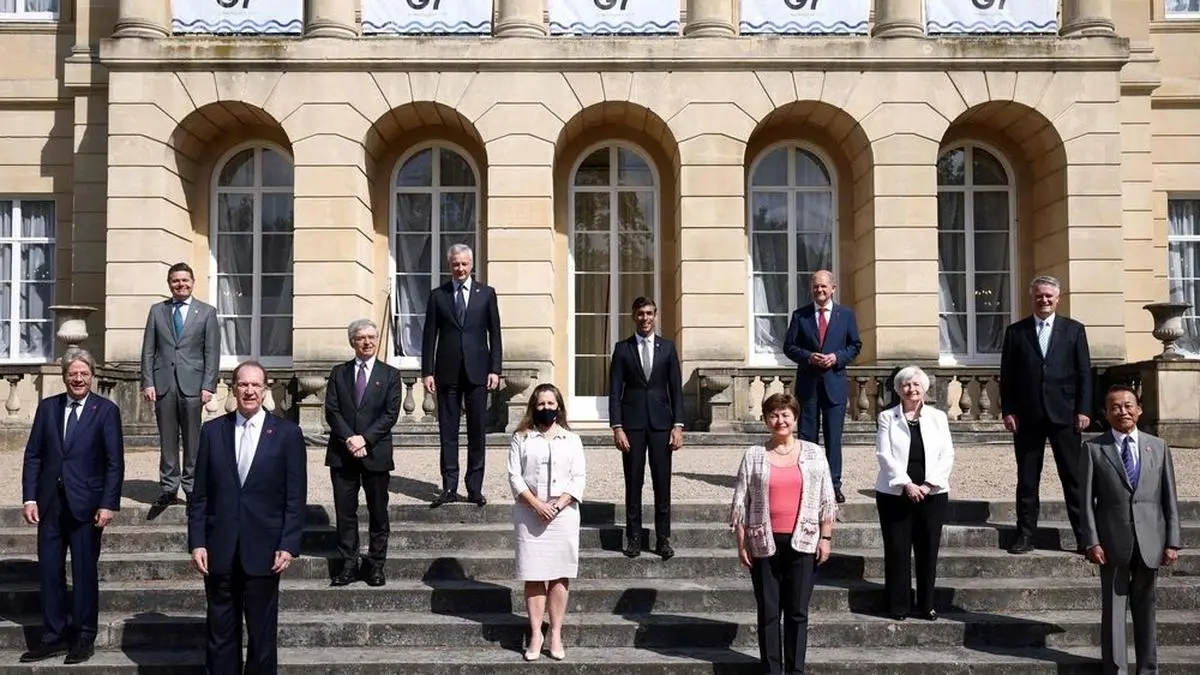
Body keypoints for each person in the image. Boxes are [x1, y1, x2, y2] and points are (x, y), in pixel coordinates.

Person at [188, 360, 307, 675]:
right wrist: (197, 541)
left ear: (265, 389)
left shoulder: (287, 433)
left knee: (262, 636)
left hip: (265, 549)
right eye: (243, 384)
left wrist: (289, 543)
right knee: (220, 633)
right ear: (233, 388)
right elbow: (200, 494)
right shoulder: (213, 431)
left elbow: (295, 496)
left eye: (256, 385)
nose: (249, 391)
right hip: (220, 547)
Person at [19, 349, 125, 665]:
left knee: (83, 573)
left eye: (83, 373)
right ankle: (52, 637)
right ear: (64, 376)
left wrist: (108, 503)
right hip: (50, 507)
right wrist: (29, 497)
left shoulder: (105, 411)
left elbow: (114, 462)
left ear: (92, 376)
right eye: (72, 374)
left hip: (87, 507)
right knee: (50, 573)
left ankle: (83, 637)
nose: (78, 379)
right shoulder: (48, 408)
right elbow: (33, 455)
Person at [730, 392, 837, 675]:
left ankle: (795, 670)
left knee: (797, 612)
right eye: (774, 415)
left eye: (785, 415)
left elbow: (827, 499)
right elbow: (741, 502)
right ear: (766, 420)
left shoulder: (814, 453)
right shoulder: (754, 455)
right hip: (762, 541)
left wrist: (825, 538)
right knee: (768, 610)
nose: (780, 420)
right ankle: (771, 669)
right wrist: (741, 543)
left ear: (795, 418)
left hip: (804, 540)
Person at [1081, 385, 1181, 675]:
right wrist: (1091, 541)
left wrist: (1172, 540)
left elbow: (1169, 498)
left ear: (1139, 409)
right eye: (1115, 407)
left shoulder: (1158, 447)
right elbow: (1085, 501)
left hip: (1151, 539)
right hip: (1111, 541)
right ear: (1105, 413)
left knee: (1146, 610)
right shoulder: (1093, 449)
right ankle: (1115, 669)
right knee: (1113, 611)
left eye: (1128, 405)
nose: (1122, 411)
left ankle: (1148, 668)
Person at [999, 275, 1093, 555]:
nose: (1044, 300)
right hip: (1027, 416)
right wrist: (1008, 410)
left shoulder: (1074, 330)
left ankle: (1084, 537)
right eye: (1039, 295)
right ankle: (1026, 534)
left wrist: (1084, 410)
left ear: (1058, 298)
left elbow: (1084, 373)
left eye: (1049, 296)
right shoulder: (1016, 332)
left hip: (1065, 414)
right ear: (1033, 297)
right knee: (1028, 479)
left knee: (1074, 479)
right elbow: (1007, 376)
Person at [507, 383, 586, 662]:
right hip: (530, 512)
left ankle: (555, 632)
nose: (546, 409)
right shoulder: (521, 437)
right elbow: (515, 476)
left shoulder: (572, 439)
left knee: (559, 574)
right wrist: (537, 504)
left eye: (551, 404)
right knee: (534, 573)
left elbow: (579, 477)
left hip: (562, 514)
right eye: (541, 404)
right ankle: (535, 633)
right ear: (533, 407)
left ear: (559, 407)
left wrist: (558, 503)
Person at [422, 243, 503, 507]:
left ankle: (475, 488)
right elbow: (429, 336)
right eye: (455, 264)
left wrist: (495, 369)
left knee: (477, 431)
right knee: (448, 431)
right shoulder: (438, 296)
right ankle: (449, 486)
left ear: (471, 265)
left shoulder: (486, 294)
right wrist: (427, 372)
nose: (460, 268)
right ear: (450, 266)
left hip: (478, 372)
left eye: (464, 264)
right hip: (446, 373)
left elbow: (496, 335)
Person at [324, 319, 403, 587]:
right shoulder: (338, 373)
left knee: (378, 511)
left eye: (372, 337)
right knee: (345, 512)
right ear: (352, 342)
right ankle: (348, 564)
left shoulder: (390, 375)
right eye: (361, 338)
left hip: (376, 452)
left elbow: (390, 414)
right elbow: (332, 411)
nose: (367, 342)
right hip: (342, 453)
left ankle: (376, 565)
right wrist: (349, 438)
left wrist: (364, 439)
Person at [874, 366, 955, 622]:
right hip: (895, 493)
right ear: (899, 390)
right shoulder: (887, 417)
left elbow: (947, 454)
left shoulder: (938, 417)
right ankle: (899, 605)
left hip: (933, 493)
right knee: (897, 549)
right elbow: (884, 454)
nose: (911, 389)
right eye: (906, 385)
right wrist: (906, 484)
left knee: (928, 549)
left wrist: (929, 485)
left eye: (916, 384)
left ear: (924, 388)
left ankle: (926, 604)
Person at [608, 296, 685, 560]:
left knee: (662, 484)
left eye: (650, 313)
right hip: (632, 426)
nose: (645, 318)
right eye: (640, 313)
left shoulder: (667, 348)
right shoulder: (622, 349)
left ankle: (663, 538)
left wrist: (678, 426)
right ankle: (634, 538)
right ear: (634, 316)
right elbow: (615, 391)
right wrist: (617, 427)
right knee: (634, 483)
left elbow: (675, 389)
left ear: (656, 315)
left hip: (662, 426)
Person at [140, 261, 220, 507]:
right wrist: (148, 382)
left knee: (193, 439)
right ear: (169, 284)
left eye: (185, 280)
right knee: (167, 439)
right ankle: (168, 488)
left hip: (193, 385)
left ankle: (192, 487)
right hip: (164, 384)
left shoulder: (206, 312)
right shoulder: (157, 311)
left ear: (193, 283)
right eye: (176, 281)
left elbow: (212, 352)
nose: (180, 284)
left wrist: (209, 385)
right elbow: (148, 351)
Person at [783, 270, 861, 504]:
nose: (820, 290)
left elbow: (855, 345)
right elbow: (789, 346)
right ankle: (808, 484)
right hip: (808, 386)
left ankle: (833, 485)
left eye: (824, 287)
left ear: (833, 288)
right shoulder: (800, 315)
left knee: (833, 439)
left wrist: (837, 357)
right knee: (807, 439)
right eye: (816, 287)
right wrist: (808, 357)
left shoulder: (846, 315)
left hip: (834, 385)